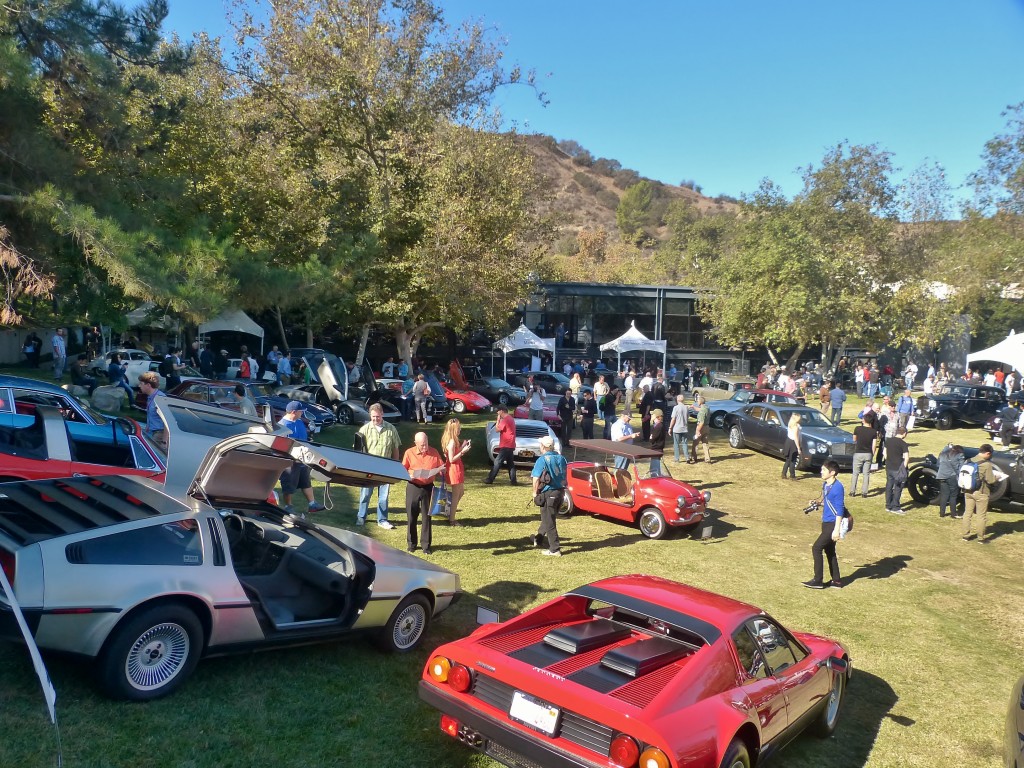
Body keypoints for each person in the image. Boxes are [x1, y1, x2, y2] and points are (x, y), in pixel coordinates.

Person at [276, 401, 327, 515]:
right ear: (294, 412)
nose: (302, 413)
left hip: (302, 459)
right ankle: (288, 506)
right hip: (289, 462)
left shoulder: (299, 422)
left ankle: (312, 504)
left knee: (306, 482)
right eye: (300, 411)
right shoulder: (282, 426)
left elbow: (304, 438)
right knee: (288, 485)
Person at [803, 459, 846, 589]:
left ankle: (818, 580)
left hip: (833, 523)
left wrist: (837, 530)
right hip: (826, 521)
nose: (821, 472)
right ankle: (836, 581)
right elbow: (828, 503)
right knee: (830, 550)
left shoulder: (838, 487)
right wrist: (818, 503)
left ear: (832, 472)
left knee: (816, 547)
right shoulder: (825, 485)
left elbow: (840, 509)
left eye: (824, 470)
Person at [356, 403, 400, 528]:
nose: (375, 419)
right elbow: (358, 450)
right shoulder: (364, 429)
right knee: (365, 494)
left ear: (382, 414)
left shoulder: (391, 429)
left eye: (378, 416)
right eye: (373, 417)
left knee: (383, 496)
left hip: (386, 468)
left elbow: (396, 448)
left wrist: (395, 465)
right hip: (368, 468)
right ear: (370, 415)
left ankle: (382, 520)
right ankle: (361, 517)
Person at [402, 432, 444, 554]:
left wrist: (441, 470)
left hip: (428, 487)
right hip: (413, 486)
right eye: (422, 445)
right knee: (411, 516)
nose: (424, 447)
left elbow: (441, 466)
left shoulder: (434, 452)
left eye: (426, 444)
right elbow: (403, 468)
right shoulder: (409, 453)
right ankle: (411, 544)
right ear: (416, 444)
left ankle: (426, 545)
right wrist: (409, 474)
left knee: (427, 517)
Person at [529, 435, 567, 556]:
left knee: (550, 522)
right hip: (561, 492)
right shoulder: (561, 458)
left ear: (543, 447)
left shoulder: (542, 460)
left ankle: (554, 549)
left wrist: (534, 493)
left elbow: (535, 479)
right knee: (548, 517)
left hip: (549, 493)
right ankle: (538, 539)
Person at [961, 444, 997, 543]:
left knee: (967, 513)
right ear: (987, 453)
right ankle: (981, 538)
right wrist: (997, 477)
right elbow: (990, 480)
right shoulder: (987, 465)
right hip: (981, 492)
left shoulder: (968, 461)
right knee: (981, 516)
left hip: (968, 491)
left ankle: (965, 535)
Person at [441, 418, 470, 526]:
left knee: (460, 492)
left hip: (457, 468)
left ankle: (450, 512)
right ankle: (452, 519)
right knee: (456, 494)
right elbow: (451, 458)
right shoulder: (452, 442)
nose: (460, 430)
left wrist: (462, 446)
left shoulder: (452, 440)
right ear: (454, 429)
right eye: (458, 428)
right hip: (454, 469)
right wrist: (463, 451)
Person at [484, 406, 517, 485]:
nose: (497, 413)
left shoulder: (505, 420)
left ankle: (490, 479)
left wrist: (498, 420)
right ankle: (513, 481)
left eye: (498, 411)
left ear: (502, 411)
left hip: (506, 444)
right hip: (511, 444)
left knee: (497, 462)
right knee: (510, 464)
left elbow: (497, 429)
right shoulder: (510, 419)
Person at [137, 372, 167, 449]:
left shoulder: (160, 399)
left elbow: (167, 422)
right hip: (154, 433)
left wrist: (164, 441)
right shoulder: (151, 397)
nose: (139, 386)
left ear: (148, 385)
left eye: (141, 383)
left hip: (159, 435)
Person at [884, 426, 910, 514]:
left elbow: (884, 453)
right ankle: (895, 507)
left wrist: (888, 460)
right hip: (898, 468)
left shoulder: (888, 441)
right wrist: (904, 468)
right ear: (904, 433)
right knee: (898, 488)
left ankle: (888, 505)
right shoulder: (903, 443)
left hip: (889, 467)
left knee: (889, 486)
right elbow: (906, 458)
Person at [850, 410, 876, 496]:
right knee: (866, 474)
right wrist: (873, 454)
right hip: (868, 453)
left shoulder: (858, 429)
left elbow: (854, 439)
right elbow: (874, 445)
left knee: (855, 473)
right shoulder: (873, 431)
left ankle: (852, 491)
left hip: (858, 452)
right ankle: (864, 492)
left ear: (864, 420)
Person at [935, 443, 965, 518]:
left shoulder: (943, 454)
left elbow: (938, 465)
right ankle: (953, 514)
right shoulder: (960, 455)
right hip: (952, 476)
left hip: (941, 476)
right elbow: (961, 468)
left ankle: (942, 513)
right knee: (953, 496)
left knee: (944, 495)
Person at [669, 394, 690, 463]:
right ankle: (687, 457)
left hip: (677, 428)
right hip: (684, 428)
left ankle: (677, 458)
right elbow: (687, 417)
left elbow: (673, 419)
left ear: (677, 400)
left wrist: (670, 427)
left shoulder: (676, 408)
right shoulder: (686, 407)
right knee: (685, 443)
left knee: (676, 444)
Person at [782, 411, 803, 480]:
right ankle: (792, 475)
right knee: (793, 460)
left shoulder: (790, 424)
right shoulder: (795, 427)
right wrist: (798, 448)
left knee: (788, 460)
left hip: (788, 442)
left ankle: (784, 474)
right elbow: (796, 438)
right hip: (793, 443)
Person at [691, 394, 711, 464]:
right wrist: (694, 407)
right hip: (707, 427)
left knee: (695, 443)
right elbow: (700, 409)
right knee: (705, 443)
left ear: (700, 402)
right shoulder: (706, 408)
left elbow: (701, 422)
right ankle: (707, 458)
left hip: (701, 427)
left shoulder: (702, 412)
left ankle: (694, 457)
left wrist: (698, 431)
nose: (697, 402)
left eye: (698, 401)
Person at [648, 409, 666, 475]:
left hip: (657, 449)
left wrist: (651, 437)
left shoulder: (659, 426)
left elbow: (652, 439)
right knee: (654, 468)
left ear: (657, 416)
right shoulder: (657, 425)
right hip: (655, 449)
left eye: (653, 414)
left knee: (654, 470)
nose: (651, 415)